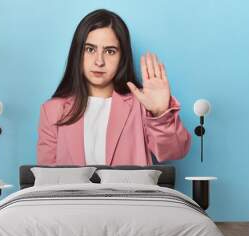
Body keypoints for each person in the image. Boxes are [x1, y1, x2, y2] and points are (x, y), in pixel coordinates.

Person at [37, 9, 191, 166]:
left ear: (122, 57)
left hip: (132, 192)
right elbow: (47, 181)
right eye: (90, 49)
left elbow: (175, 151)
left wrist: (160, 113)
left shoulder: (141, 106)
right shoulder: (52, 110)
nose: (99, 61)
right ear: (78, 53)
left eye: (110, 51)